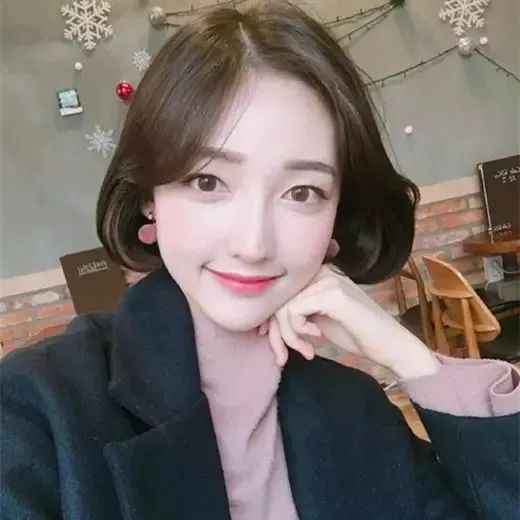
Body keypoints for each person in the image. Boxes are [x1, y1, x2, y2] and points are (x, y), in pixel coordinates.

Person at [1, 2, 518, 519]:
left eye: (302, 192)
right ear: (148, 196)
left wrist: (413, 360)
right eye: (208, 181)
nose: (253, 244)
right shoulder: (38, 410)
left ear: (336, 215)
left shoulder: (356, 408)